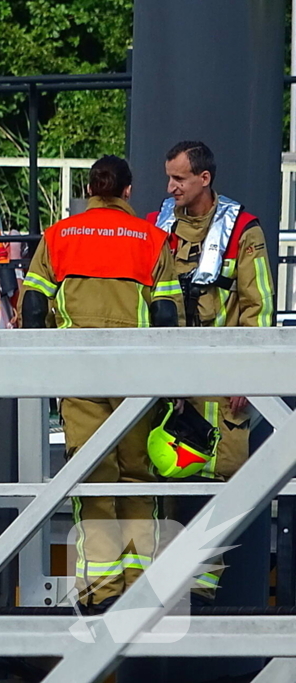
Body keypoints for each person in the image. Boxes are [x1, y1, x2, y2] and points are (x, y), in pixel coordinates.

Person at [20, 156, 183, 615]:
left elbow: (33, 309)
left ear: (90, 190)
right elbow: (167, 316)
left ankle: (99, 589)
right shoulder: (152, 240)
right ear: (128, 193)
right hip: (135, 374)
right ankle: (144, 588)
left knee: (91, 478)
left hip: (79, 371)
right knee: (137, 476)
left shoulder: (58, 237)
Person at [146, 140, 276, 602]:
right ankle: (165, 581)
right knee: (163, 478)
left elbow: (259, 307)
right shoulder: (156, 225)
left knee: (223, 481)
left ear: (205, 178)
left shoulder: (243, 229)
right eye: (168, 177)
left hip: (222, 385)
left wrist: (246, 375)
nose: (170, 187)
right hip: (171, 382)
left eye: (179, 178)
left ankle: (200, 589)